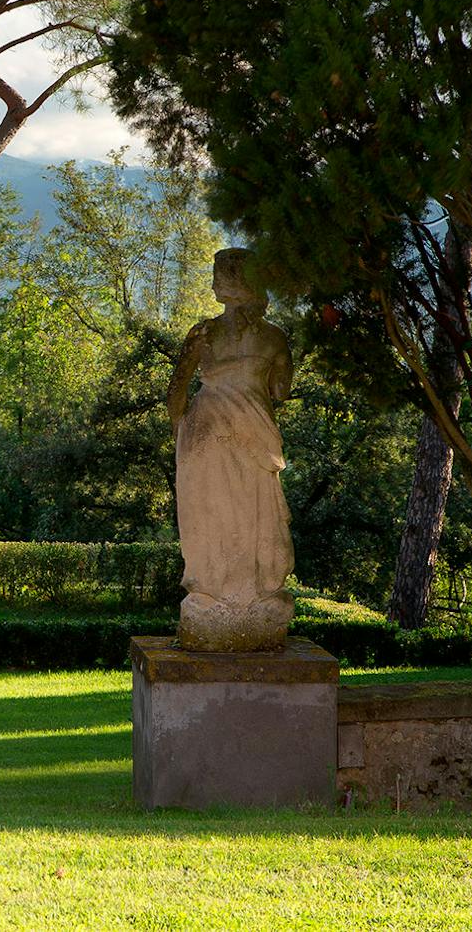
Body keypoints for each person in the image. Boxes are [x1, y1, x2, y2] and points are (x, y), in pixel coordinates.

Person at [167, 248, 294, 651]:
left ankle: (233, 597)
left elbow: (175, 393)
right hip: (228, 434)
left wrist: (182, 429)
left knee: (234, 517)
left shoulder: (228, 334)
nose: (216, 278)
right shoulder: (257, 336)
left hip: (228, 434)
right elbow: (281, 391)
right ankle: (232, 596)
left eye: (221, 272)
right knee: (232, 515)